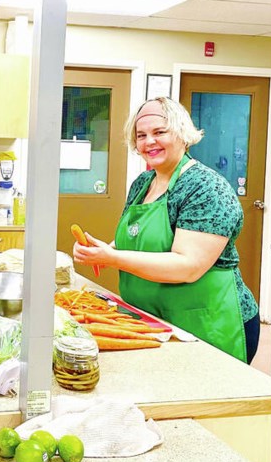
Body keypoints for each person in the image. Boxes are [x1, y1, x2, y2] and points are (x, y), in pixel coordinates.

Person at [72, 96, 259, 363]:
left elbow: (188, 265)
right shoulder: (143, 183)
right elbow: (139, 239)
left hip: (206, 322)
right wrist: (103, 249)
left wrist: (111, 258)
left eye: (160, 132)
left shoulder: (206, 187)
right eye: (141, 135)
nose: (149, 141)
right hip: (152, 320)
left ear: (182, 134)